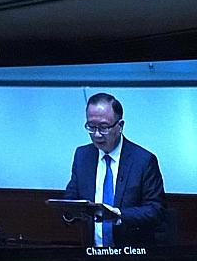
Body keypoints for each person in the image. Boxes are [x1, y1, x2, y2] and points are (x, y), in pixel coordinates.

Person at [61, 92, 168, 247]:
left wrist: (119, 215)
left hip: (131, 256)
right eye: (91, 127)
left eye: (104, 127)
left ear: (120, 126)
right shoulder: (82, 156)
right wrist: (69, 211)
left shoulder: (143, 160)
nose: (97, 134)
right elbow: (72, 196)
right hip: (91, 254)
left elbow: (155, 210)